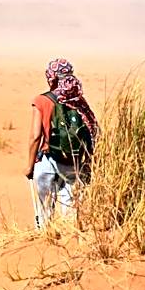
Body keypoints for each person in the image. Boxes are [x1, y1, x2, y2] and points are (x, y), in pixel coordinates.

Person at [25, 58, 98, 228]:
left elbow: (35, 136)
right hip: (74, 162)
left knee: (44, 210)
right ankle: (70, 243)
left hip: (47, 159)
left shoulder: (41, 101)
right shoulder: (79, 101)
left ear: (51, 77)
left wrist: (29, 166)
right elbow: (93, 130)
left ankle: (45, 239)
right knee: (71, 211)